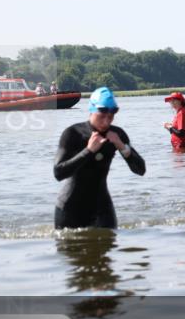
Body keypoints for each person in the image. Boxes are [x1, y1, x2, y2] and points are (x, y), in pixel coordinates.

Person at [53, 87, 146, 229]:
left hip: (102, 207)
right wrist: (88, 151)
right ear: (92, 110)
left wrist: (122, 147)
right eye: (102, 116)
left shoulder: (117, 134)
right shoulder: (73, 133)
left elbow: (140, 169)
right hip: (70, 208)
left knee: (110, 241)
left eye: (111, 116)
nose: (106, 121)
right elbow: (58, 173)